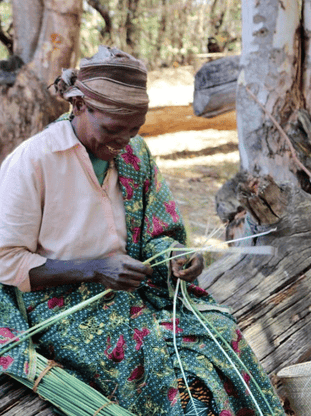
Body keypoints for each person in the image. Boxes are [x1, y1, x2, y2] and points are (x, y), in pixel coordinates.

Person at [0, 46, 284, 416]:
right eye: (113, 129)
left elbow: (160, 233)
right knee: (157, 368)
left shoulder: (135, 154)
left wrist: (176, 257)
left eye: (134, 130)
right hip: (62, 306)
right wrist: (95, 268)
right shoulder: (34, 161)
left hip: (136, 292)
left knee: (220, 329)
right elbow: (7, 262)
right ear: (79, 106)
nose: (123, 142)